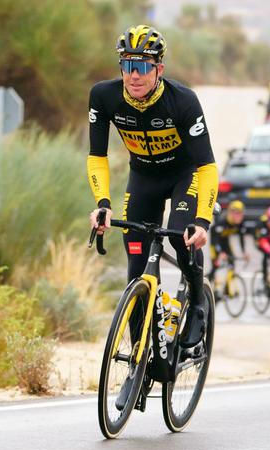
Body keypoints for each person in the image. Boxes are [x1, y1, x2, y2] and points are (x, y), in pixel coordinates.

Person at [87, 24, 219, 350]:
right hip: (142, 178)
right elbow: (96, 157)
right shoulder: (104, 96)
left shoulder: (183, 101)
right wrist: (103, 203)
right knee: (136, 267)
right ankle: (138, 358)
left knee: (181, 237)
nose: (134, 75)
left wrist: (203, 221)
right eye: (128, 65)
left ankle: (197, 302)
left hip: (183, 176)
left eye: (143, 66)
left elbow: (207, 166)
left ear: (158, 68)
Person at [208, 200, 250, 293]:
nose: (238, 216)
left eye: (240, 213)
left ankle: (227, 289)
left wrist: (244, 252)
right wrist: (220, 253)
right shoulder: (223, 222)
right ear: (230, 213)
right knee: (216, 266)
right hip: (216, 243)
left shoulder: (240, 223)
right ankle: (207, 284)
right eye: (236, 213)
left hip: (225, 241)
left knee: (232, 263)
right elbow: (215, 240)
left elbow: (241, 238)